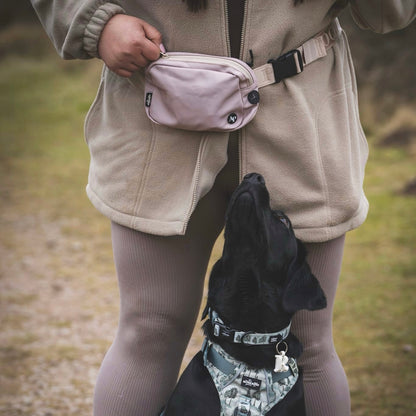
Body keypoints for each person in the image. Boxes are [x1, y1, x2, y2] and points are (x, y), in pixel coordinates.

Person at [30, 0, 416, 415]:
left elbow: (387, 14)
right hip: (157, 121)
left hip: (305, 126)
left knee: (308, 345)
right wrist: (96, 23)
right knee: (149, 330)